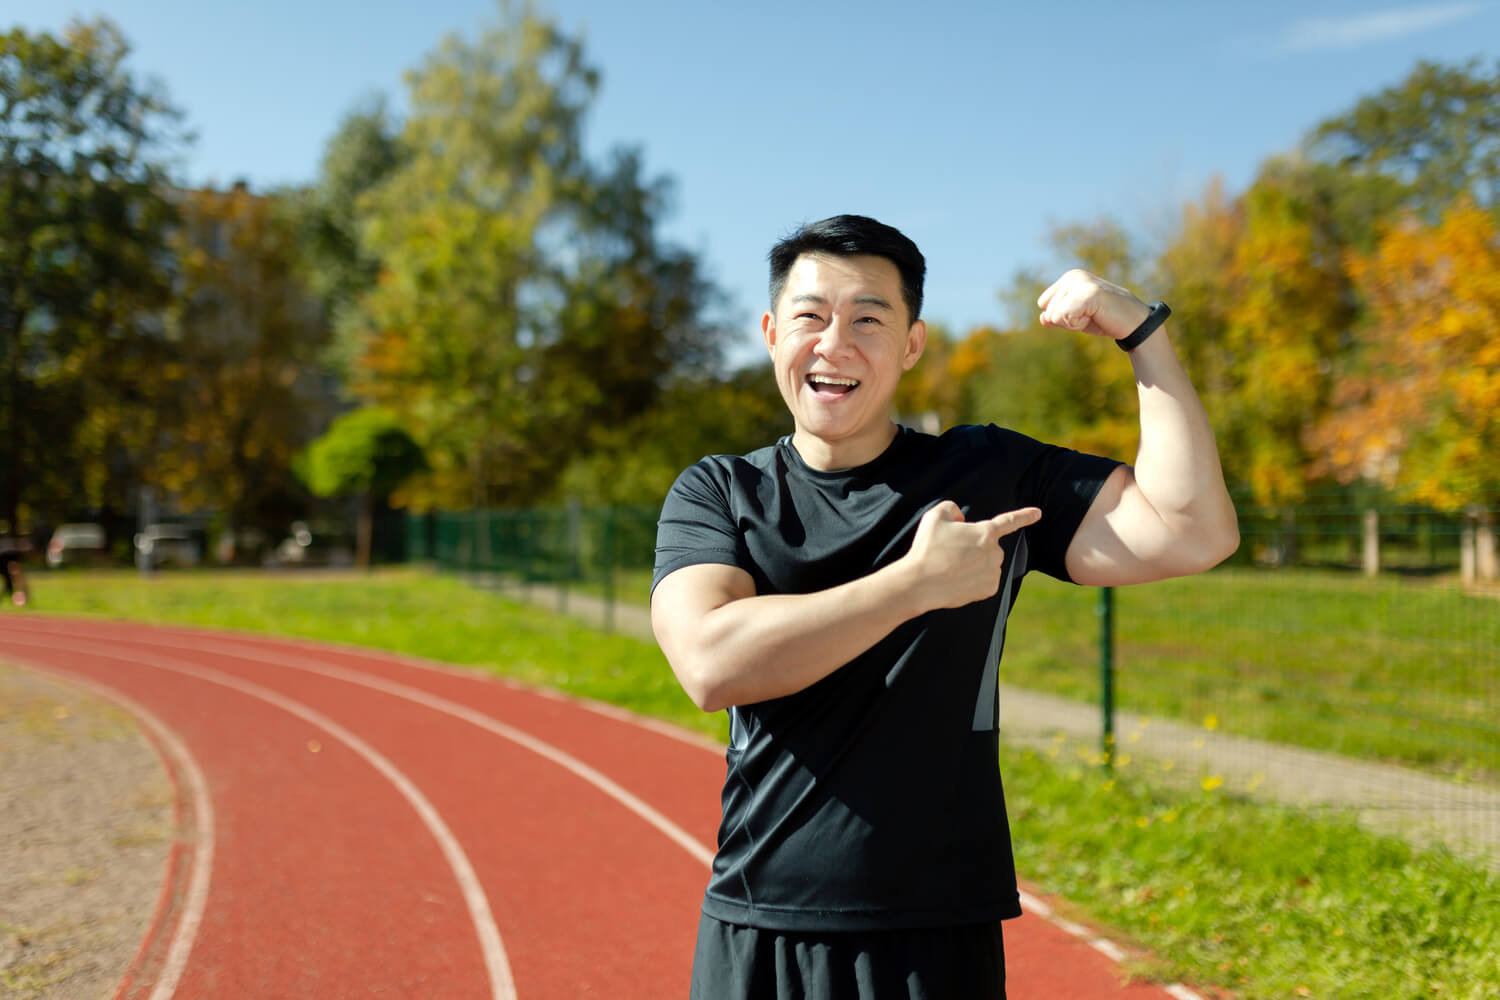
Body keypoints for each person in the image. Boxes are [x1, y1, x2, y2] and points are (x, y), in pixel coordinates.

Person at [650, 215, 1239, 999]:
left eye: (869, 319)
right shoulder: (720, 491)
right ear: (770, 333)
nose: (835, 344)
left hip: (937, 931)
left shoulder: (986, 471)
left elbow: (1192, 532)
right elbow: (711, 663)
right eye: (811, 316)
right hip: (761, 920)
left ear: (912, 345)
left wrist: (1144, 335)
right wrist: (915, 584)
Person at [1, 535, 30, 608]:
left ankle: (21, 598)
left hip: (10, 555)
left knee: (17, 579)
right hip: (5, 557)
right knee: (11, 580)